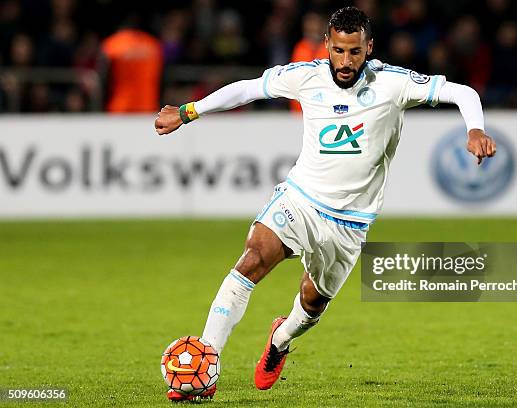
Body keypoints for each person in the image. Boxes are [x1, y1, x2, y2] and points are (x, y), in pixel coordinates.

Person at [155, 6, 495, 401]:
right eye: (338, 50)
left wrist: (475, 129)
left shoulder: (393, 83)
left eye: (354, 52)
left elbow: (461, 92)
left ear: (369, 47)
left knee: (312, 301)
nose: (345, 61)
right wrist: (187, 111)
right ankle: (207, 362)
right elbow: (247, 88)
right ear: (327, 46)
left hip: (350, 221)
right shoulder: (306, 76)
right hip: (300, 197)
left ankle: (279, 341)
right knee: (253, 257)